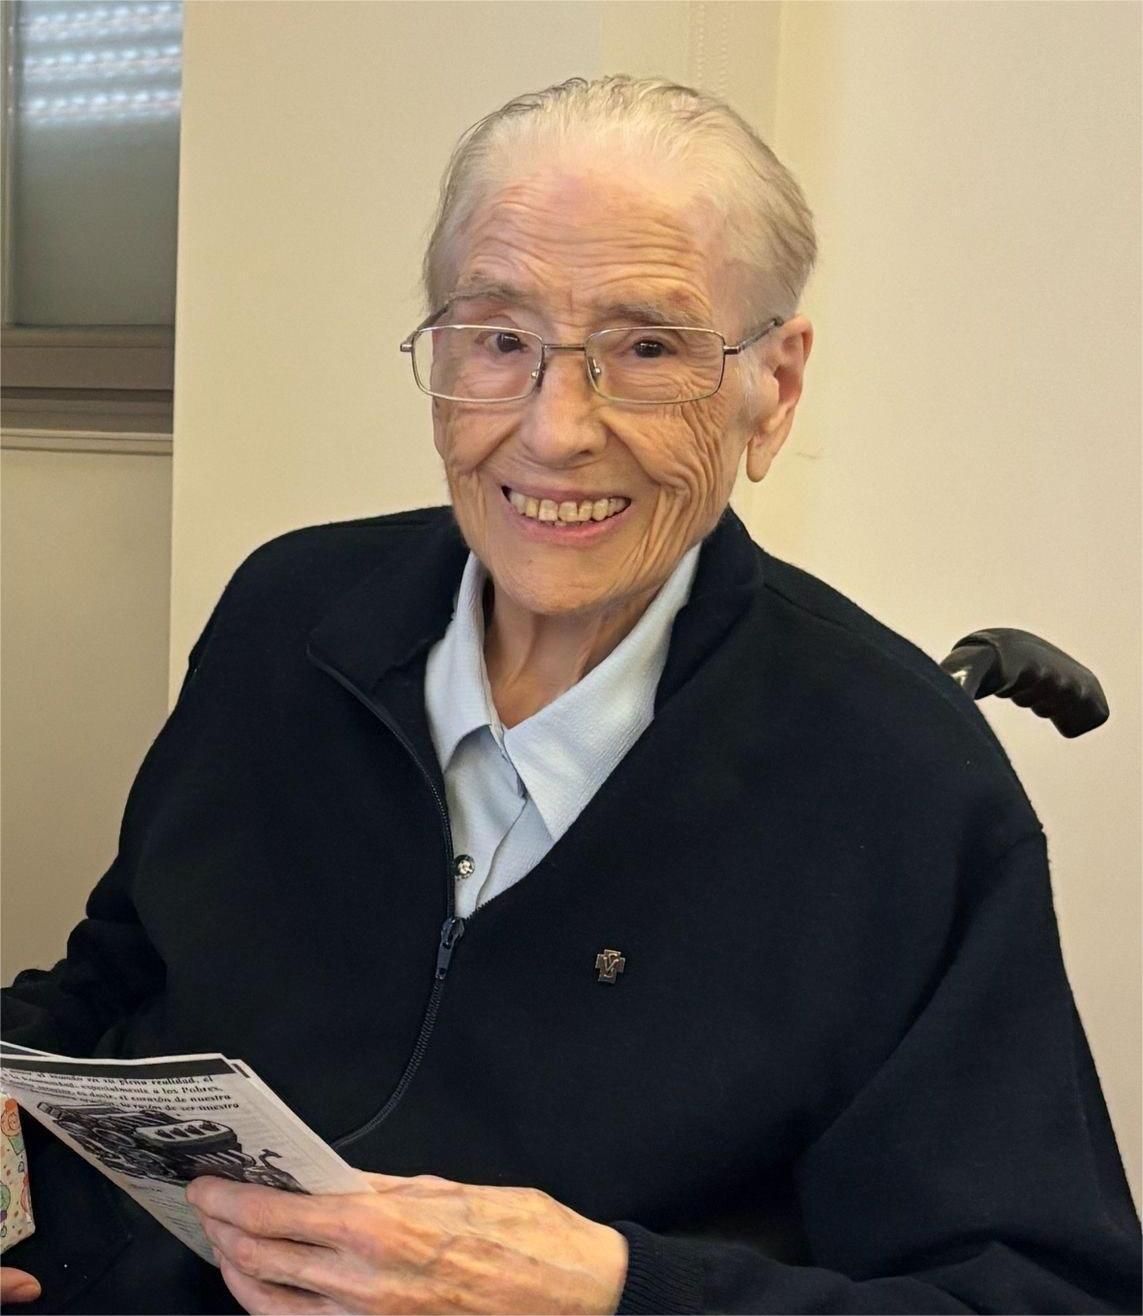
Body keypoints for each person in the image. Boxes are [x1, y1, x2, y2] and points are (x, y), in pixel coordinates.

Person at [2, 74, 1139, 1315]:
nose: (554, 431)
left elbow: (1042, 1293)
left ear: (775, 386)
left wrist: (615, 1290)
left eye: (648, 349)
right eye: (500, 340)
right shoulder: (290, 616)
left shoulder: (907, 780)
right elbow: (119, 981)